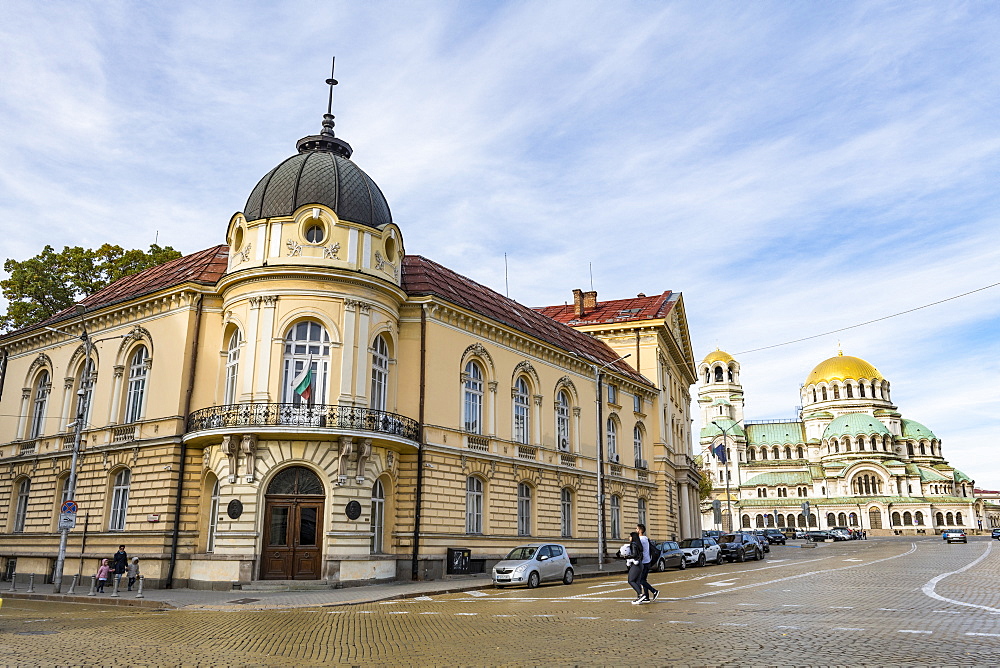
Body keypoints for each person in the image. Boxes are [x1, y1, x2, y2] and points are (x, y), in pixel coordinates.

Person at [636, 523, 659, 602]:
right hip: (647, 561)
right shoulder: (646, 538)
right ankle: (646, 597)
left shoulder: (641, 540)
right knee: (643, 580)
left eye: (636, 529)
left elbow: (637, 549)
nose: (636, 530)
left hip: (643, 562)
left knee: (641, 580)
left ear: (639, 530)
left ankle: (654, 591)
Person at [625, 531, 646, 604]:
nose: (629, 538)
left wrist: (627, 556)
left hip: (636, 564)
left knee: (631, 580)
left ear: (633, 537)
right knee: (637, 581)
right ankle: (639, 598)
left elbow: (634, 555)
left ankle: (641, 595)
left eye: (630, 536)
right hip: (640, 564)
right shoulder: (638, 544)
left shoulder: (633, 544)